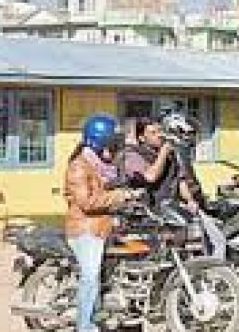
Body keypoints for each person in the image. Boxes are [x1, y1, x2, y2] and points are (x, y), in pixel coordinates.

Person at [64, 114, 134, 332]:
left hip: (102, 227)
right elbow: (87, 202)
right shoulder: (79, 166)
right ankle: (84, 326)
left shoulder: (100, 165)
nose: (114, 147)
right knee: (90, 276)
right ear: (100, 140)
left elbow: (110, 189)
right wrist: (119, 197)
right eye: (111, 142)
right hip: (86, 230)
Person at [123, 115, 225, 259]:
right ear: (141, 138)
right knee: (169, 246)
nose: (159, 135)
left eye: (160, 131)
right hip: (148, 211)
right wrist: (163, 153)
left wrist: (190, 200)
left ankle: (213, 266)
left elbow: (180, 180)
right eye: (153, 133)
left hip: (171, 207)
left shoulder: (171, 155)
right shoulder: (133, 155)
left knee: (215, 236)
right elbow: (150, 177)